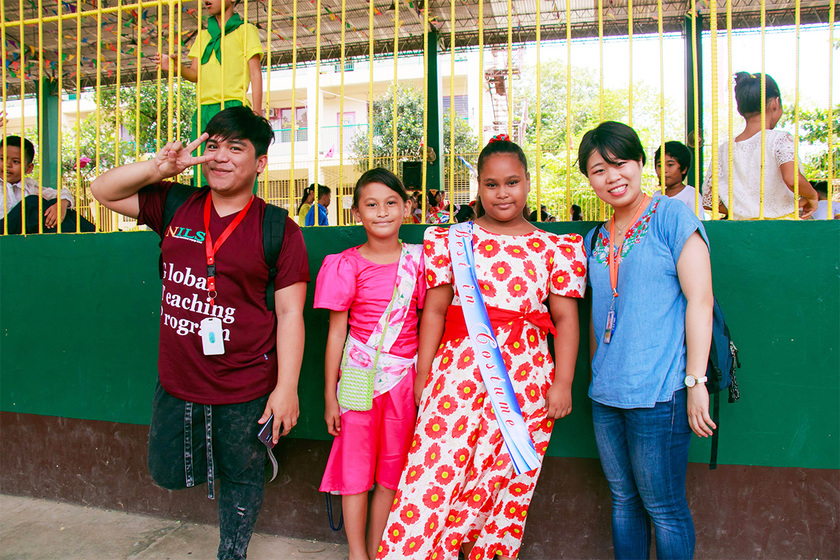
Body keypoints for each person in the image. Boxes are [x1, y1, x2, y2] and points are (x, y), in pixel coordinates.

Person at [89, 106, 308, 560]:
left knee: (243, 474)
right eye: (213, 147)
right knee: (167, 471)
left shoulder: (278, 229)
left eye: (235, 148)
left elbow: (290, 314)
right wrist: (159, 168)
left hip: (246, 380)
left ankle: (233, 551)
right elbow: (101, 191)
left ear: (260, 163)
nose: (220, 157)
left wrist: (286, 388)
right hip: (179, 376)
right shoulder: (176, 204)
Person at [377, 135, 586, 560]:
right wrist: (424, 374)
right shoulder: (451, 240)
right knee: (433, 473)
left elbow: (565, 320)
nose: (502, 193)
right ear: (478, 188)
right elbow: (434, 311)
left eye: (512, 182)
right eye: (491, 184)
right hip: (456, 376)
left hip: (525, 384)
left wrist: (562, 383)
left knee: (503, 485)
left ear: (528, 183)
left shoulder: (556, 248)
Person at [579, 121, 716, 559]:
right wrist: (596, 373)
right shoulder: (596, 238)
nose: (613, 176)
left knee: (664, 506)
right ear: (589, 178)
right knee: (624, 502)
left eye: (621, 164)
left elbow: (701, 301)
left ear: (641, 164)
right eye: (599, 169)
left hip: (661, 394)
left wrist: (696, 384)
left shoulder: (673, 217)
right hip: (606, 394)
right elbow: (599, 314)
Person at [315, 167, 425, 560]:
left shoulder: (421, 263)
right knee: (356, 475)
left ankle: (378, 551)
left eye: (392, 203)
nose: (382, 212)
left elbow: (431, 323)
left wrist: (421, 380)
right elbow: (335, 335)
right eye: (372, 205)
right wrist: (330, 397)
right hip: (357, 385)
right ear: (357, 212)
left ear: (407, 208)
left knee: (390, 475)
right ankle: (356, 554)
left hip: (402, 385)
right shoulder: (344, 264)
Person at [153, 0, 263, 187]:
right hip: (203, 110)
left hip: (232, 107)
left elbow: (255, 72)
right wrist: (175, 66)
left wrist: (257, 113)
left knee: (237, 168)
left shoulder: (246, 30)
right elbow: (195, 74)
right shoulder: (203, 36)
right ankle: (205, 213)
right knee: (203, 169)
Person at [702, 72, 818, 219]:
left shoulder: (724, 150)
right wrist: (813, 196)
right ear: (776, 102)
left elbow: (709, 201)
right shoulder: (779, 139)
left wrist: (743, 212)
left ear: (741, 109)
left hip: (742, 230)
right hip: (782, 228)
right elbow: (792, 179)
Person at [1, 135, 94, 234]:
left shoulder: (29, 186)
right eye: (1, 159)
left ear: (28, 168)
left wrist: (61, 205)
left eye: (15, 161)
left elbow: (62, 194)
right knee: (31, 203)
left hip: (19, 231)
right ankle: (82, 240)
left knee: (55, 204)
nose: (7, 165)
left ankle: (96, 236)